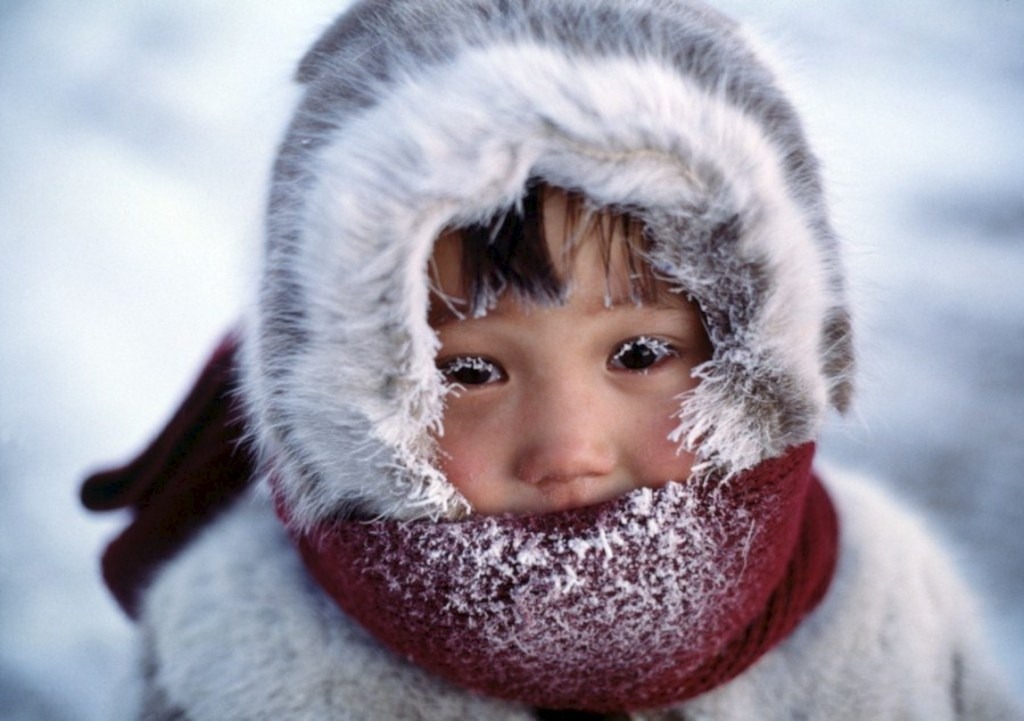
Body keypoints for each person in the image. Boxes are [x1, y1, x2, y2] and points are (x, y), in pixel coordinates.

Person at [81, 1, 1022, 719]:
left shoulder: (884, 601)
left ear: (759, 348)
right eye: (470, 372)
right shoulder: (234, 638)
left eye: (642, 352)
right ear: (344, 389)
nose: (567, 448)